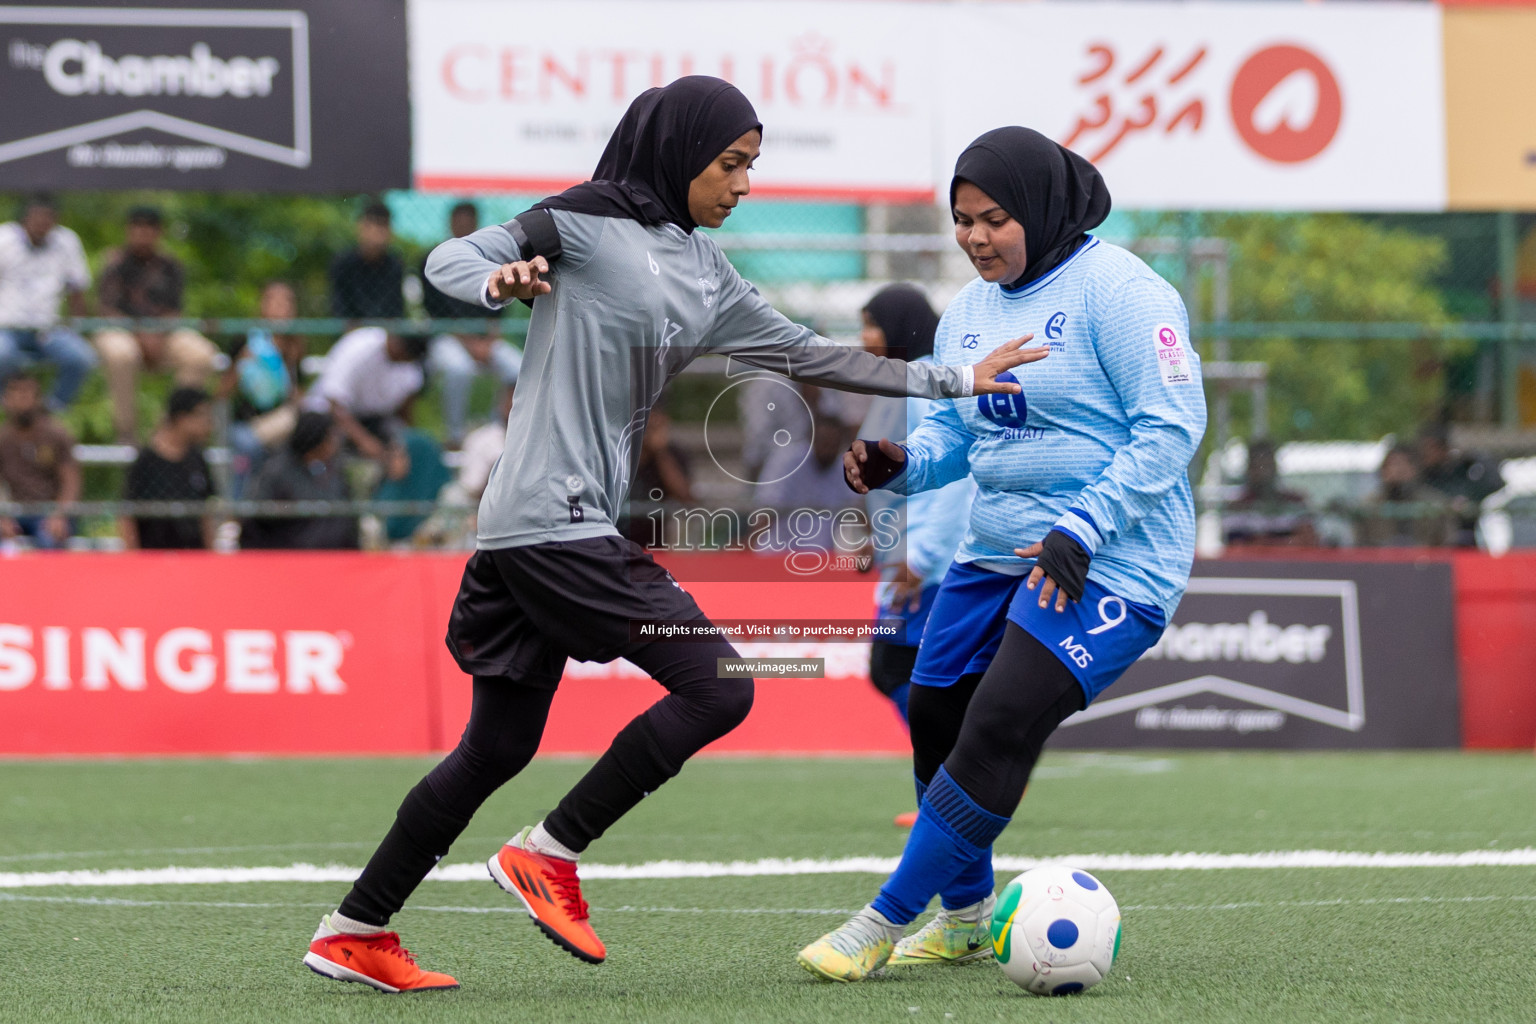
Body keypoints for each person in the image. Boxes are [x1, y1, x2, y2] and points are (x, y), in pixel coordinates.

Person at [301, 76, 1036, 995]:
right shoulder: (576, 224)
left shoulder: (706, 273)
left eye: (752, 167)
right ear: (678, 151)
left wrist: (959, 380)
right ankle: (550, 851)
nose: (742, 183)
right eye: (730, 164)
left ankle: (355, 927)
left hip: (539, 532)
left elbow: (815, 354)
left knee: (495, 749)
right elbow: (447, 261)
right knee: (721, 682)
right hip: (549, 523)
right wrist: (495, 279)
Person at [797, 127, 1205, 982]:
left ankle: (881, 922)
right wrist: (904, 466)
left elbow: (1173, 429)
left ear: (1044, 208)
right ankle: (965, 921)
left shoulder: (1124, 293)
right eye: (962, 221)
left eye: (994, 218)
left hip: (1107, 560)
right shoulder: (971, 314)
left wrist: (1083, 527)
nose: (976, 237)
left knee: (998, 721)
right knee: (935, 717)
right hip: (992, 553)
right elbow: (956, 435)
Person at [856, 284, 976, 733]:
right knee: (903, 673)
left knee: (897, 671)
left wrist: (919, 559)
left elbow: (951, 484)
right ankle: (964, 775)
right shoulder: (903, 382)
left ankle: (965, 771)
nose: (865, 336)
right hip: (907, 555)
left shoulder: (924, 386)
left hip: (929, 564)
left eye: (872, 324)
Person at [94, 206, 219, 442]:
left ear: (158, 232)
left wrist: (158, 333)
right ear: (128, 230)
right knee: (121, 354)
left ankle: (169, 427)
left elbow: (175, 310)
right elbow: (106, 309)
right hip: (121, 332)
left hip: (163, 333)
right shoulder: (114, 261)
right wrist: (140, 333)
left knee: (202, 354)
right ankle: (126, 430)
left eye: (148, 228)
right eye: (137, 227)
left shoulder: (171, 265)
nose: (142, 233)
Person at [424, 203, 522, 446]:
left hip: (484, 340)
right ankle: (454, 435)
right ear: (451, 223)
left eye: (469, 221)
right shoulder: (437, 258)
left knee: (519, 368)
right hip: (447, 338)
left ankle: (494, 433)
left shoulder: (489, 258)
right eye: (460, 221)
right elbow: (437, 316)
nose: (464, 226)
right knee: (459, 368)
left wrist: (489, 342)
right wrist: (470, 344)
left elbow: (498, 311)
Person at [0, 193, 96, 411]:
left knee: (81, 357)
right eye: (37, 217)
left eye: (48, 218)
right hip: (6, 327)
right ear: (25, 218)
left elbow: (77, 291)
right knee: (2, 354)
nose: (43, 223)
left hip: (47, 329)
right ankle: (11, 408)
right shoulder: (4, 239)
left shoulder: (66, 241)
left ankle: (49, 411)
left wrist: (76, 329)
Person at [220, 280, 306, 497]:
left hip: (282, 421)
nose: (281, 308)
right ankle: (237, 512)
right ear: (262, 305)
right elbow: (221, 392)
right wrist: (242, 362)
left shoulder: (295, 344)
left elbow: (298, 396)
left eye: (287, 303)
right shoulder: (245, 338)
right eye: (274, 301)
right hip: (247, 422)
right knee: (247, 447)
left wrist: (287, 365)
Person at [302, 326, 427, 460]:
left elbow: (404, 411)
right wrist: (365, 441)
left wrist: (403, 445)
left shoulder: (411, 369)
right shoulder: (360, 345)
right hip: (329, 414)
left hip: (374, 419)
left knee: (402, 442)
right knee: (331, 437)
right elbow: (334, 403)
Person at [242, 411, 359, 550]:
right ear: (317, 438)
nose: (334, 443)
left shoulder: (335, 470)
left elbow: (347, 516)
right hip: (289, 559)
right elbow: (257, 517)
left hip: (335, 559)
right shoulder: (277, 471)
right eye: (330, 437)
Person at [121, 387, 215, 550]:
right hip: (153, 556)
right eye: (202, 415)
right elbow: (127, 514)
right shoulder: (147, 460)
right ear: (182, 418)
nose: (208, 423)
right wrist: (134, 559)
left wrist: (211, 555)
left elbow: (205, 513)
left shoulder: (197, 458)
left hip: (193, 557)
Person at [0, 370, 80, 549]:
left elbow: (71, 482)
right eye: (16, 393)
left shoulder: (56, 435)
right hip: (15, 511)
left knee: (49, 540)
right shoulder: (3, 439)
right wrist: (3, 518)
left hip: (49, 511)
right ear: (6, 399)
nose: (22, 399)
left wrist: (60, 515)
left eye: (27, 393)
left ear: (38, 398)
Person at [1415, 423, 1502, 547]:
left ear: (1443, 449)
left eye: (1431, 448)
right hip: (1435, 539)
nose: (1425, 453)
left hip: (1467, 535)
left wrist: (1473, 454)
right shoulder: (1422, 477)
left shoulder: (1462, 470)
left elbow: (1495, 483)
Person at [1221, 437, 1316, 547]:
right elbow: (1237, 546)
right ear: (1249, 469)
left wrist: (1266, 544)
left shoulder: (1293, 502)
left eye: (1267, 465)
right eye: (1258, 466)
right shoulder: (1239, 507)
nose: (1264, 473)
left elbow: (1308, 541)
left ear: (1275, 467)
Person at [1356, 444, 1452, 547]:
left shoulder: (1435, 502)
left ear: (1415, 469)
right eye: (1393, 465)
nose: (1398, 471)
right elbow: (1360, 543)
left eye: (1403, 464)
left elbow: (1447, 541)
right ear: (1383, 470)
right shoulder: (1368, 505)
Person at [329, 202, 404, 322]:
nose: (379, 233)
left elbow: (395, 310)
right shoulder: (343, 263)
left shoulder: (395, 265)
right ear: (361, 227)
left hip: (385, 331)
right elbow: (339, 309)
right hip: (353, 332)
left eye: (383, 226)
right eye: (374, 225)